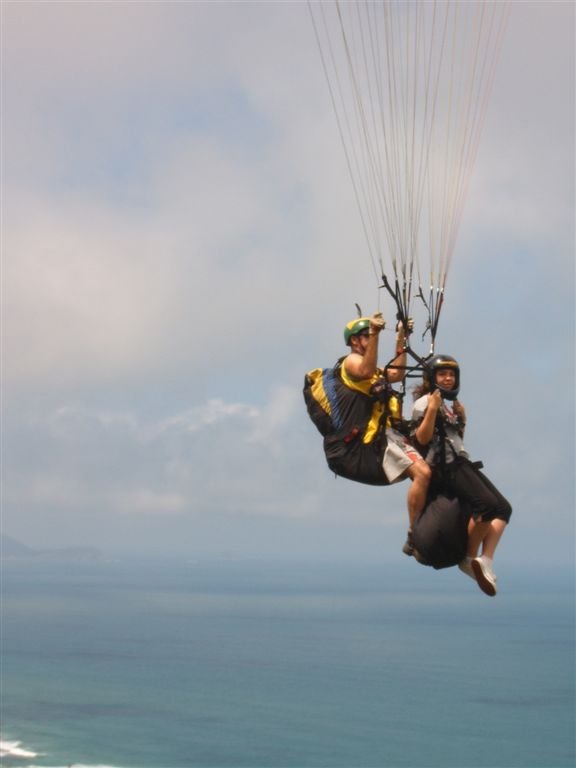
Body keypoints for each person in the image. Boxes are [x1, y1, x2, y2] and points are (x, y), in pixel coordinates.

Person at [304, 312, 431, 510]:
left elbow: (396, 373)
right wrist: (375, 334)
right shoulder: (351, 362)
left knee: (427, 469)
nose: (369, 339)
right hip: (358, 450)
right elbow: (365, 371)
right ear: (354, 340)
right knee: (422, 471)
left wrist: (402, 336)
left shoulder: (373, 371)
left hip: (377, 444)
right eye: (365, 336)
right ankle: (416, 534)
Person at [411, 354, 512, 596]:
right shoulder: (425, 402)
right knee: (486, 506)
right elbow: (422, 439)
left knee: (503, 509)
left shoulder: (449, 405)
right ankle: (468, 557)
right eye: (442, 374)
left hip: (460, 462)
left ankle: (485, 559)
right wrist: (433, 410)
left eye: (451, 374)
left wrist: (462, 420)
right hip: (446, 466)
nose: (448, 379)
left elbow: (455, 440)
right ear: (431, 378)